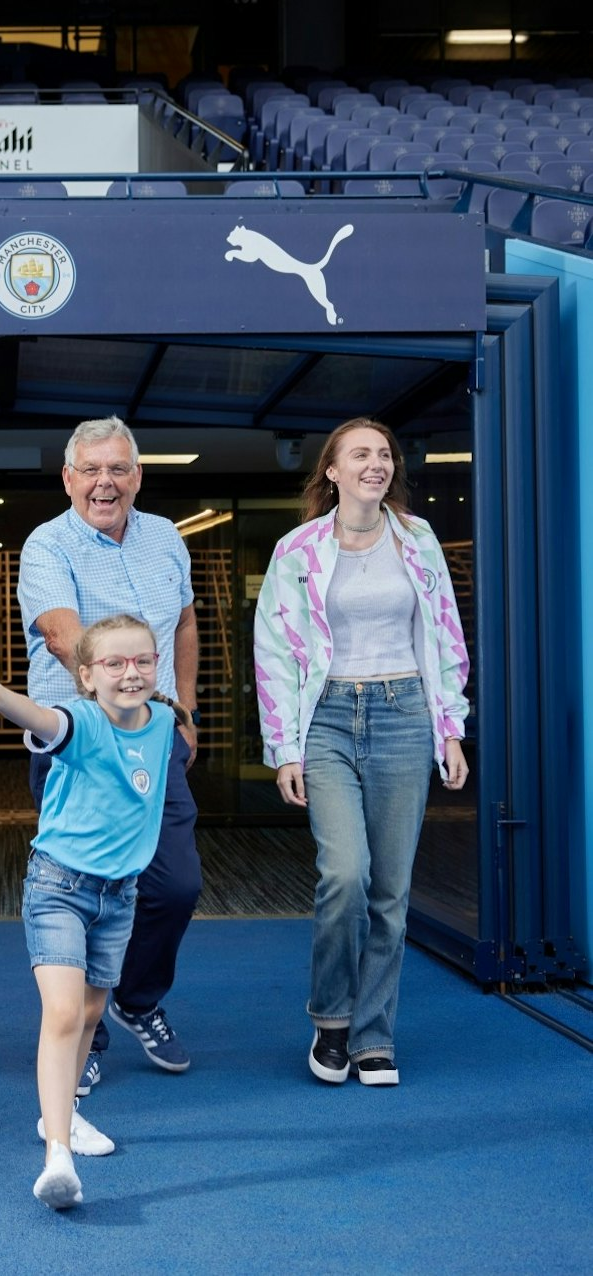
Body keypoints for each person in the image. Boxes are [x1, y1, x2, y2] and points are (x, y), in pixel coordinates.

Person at [0, 616, 189, 1210]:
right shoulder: (83, 723)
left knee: (93, 1013)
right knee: (66, 1011)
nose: (131, 673)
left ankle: (60, 1118)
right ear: (86, 675)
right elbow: (46, 720)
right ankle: (58, 1161)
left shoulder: (166, 723)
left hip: (119, 896)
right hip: (59, 889)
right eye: (115, 664)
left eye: (143, 661)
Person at [254, 418, 469, 1086]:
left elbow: (442, 635)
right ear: (334, 472)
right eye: (360, 455)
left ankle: (374, 1035)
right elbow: (275, 652)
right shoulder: (298, 548)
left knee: (391, 892)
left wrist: (449, 726)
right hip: (328, 721)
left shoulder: (418, 539)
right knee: (343, 876)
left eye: (384, 454)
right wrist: (284, 747)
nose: (375, 463)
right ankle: (331, 1021)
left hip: (404, 712)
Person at [17, 415, 200, 1094]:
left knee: (175, 884)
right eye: (90, 470)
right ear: (68, 478)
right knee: (89, 889)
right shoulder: (47, 546)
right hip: (78, 745)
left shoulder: (166, 538)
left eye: (119, 469)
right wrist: (125, 699)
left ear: (138, 476)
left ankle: (136, 998)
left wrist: (184, 711)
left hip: (156, 737)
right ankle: (84, 1034)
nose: (105, 483)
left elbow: (183, 622)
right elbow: (67, 639)